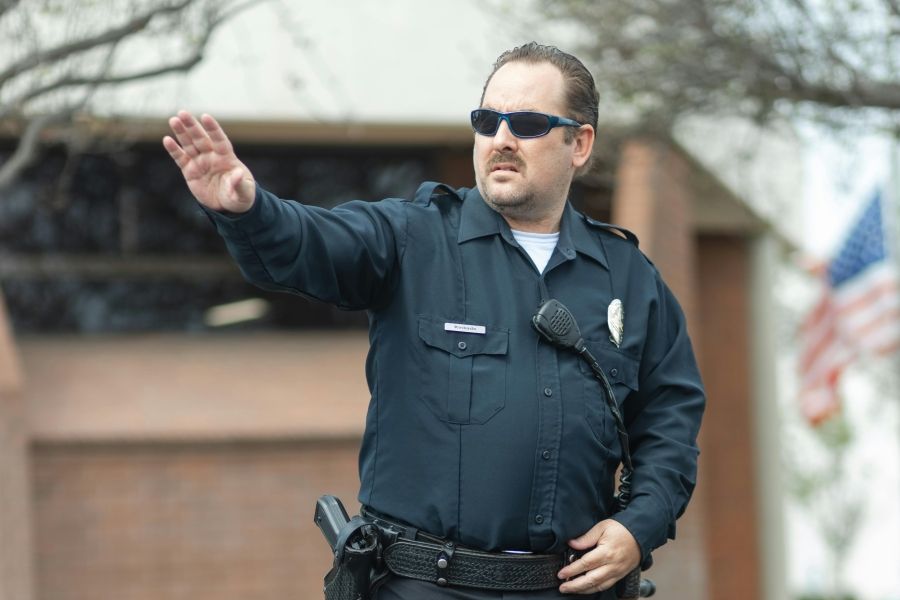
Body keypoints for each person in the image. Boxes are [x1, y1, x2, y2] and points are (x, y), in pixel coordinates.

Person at [163, 42, 705, 599]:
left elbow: (670, 423)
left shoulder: (628, 278)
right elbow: (312, 244)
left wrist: (638, 527)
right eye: (488, 120)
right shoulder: (411, 238)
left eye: (527, 123)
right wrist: (248, 208)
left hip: (566, 587)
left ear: (580, 143)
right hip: (421, 585)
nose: (502, 139)